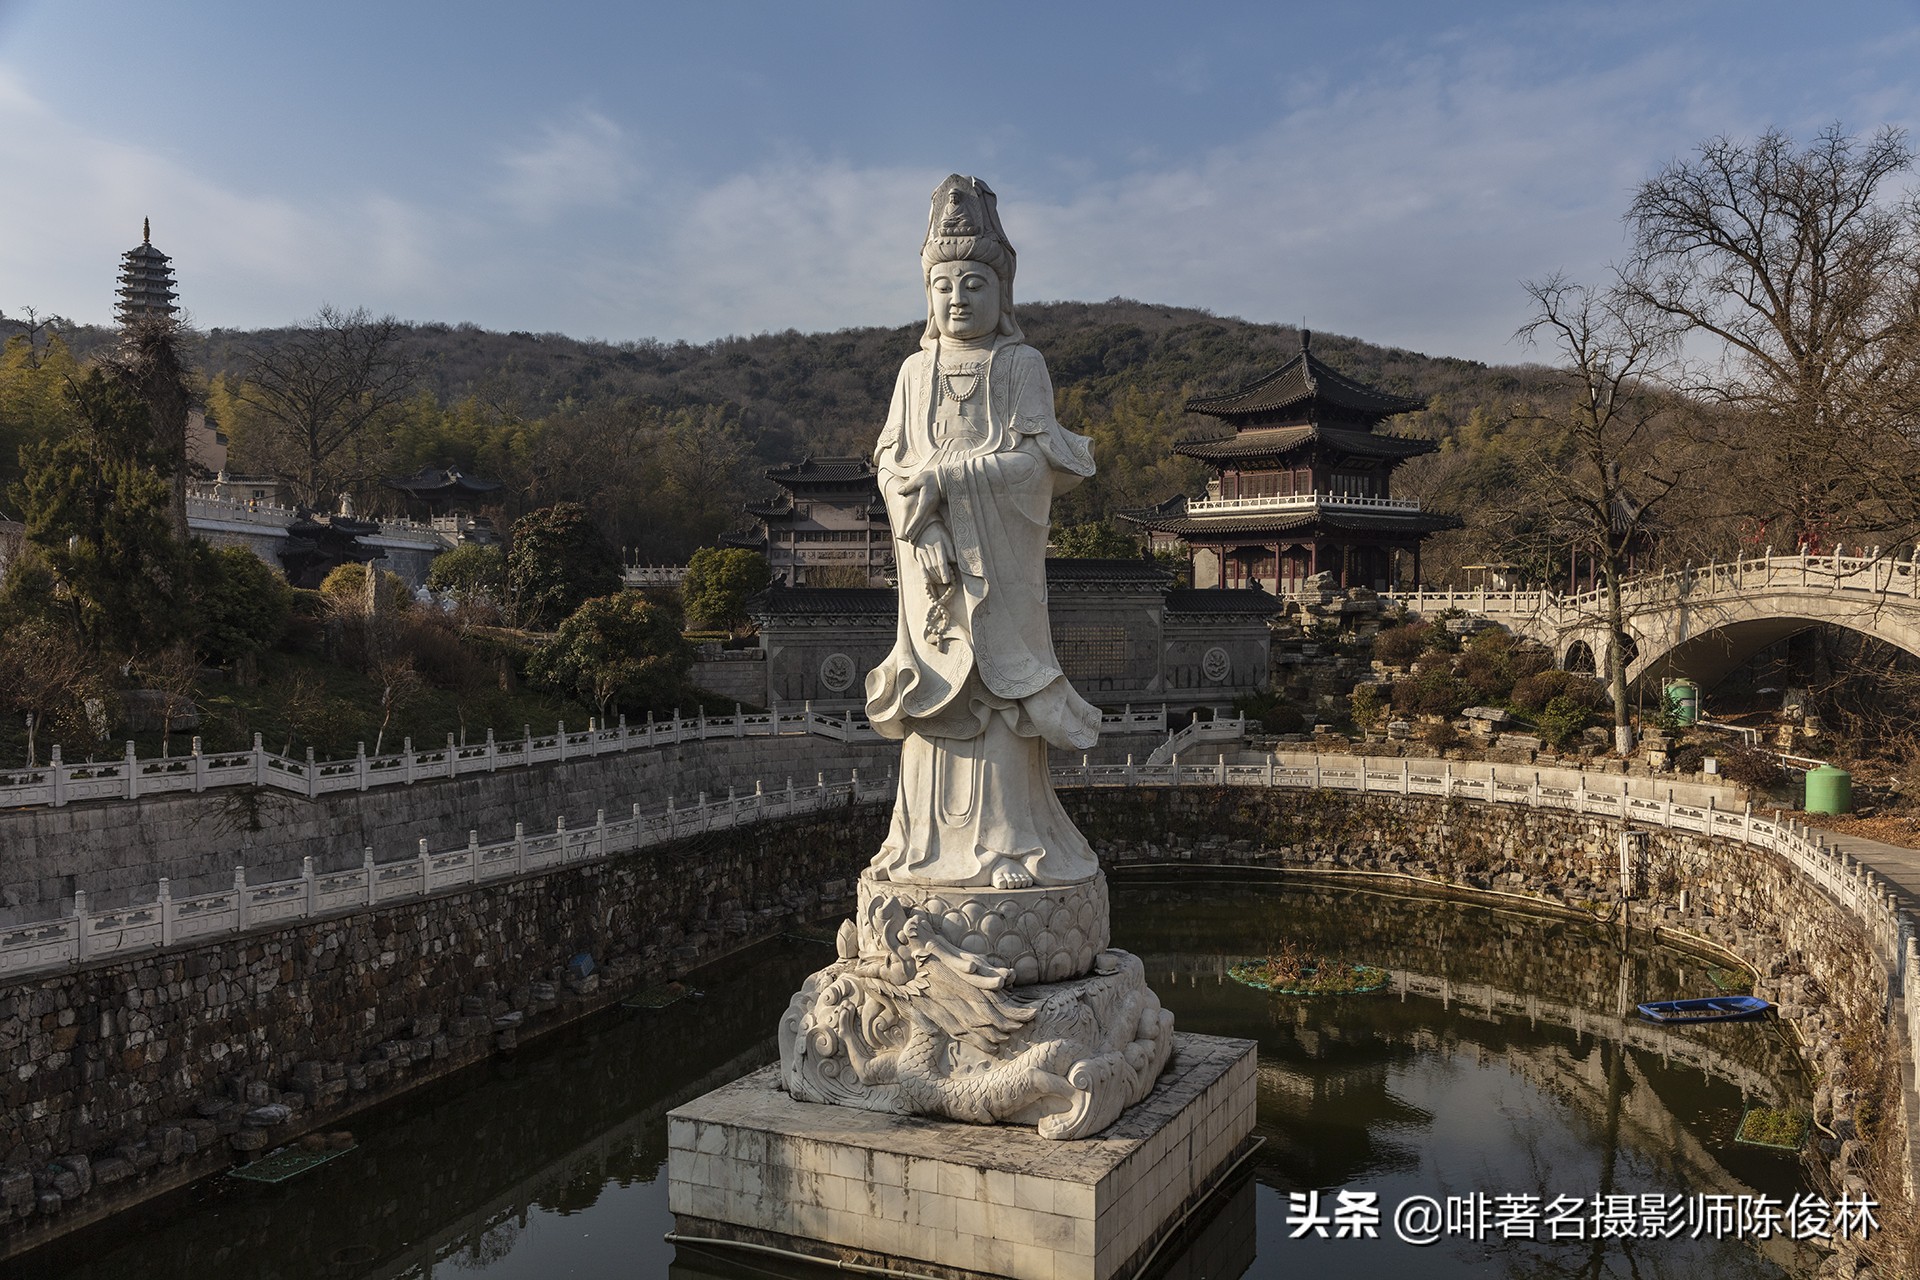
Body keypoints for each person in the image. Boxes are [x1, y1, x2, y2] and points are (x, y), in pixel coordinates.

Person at [864, 175, 1102, 890]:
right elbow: (889, 460)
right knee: (932, 698)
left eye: (975, 283)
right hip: (929, 574)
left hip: (999, 569)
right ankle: (917, 847)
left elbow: (1033, 462)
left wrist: (946, 482)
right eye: (945, 285)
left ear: (1003, 296)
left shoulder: (1021, 365)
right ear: (927, 296)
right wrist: (922, 525)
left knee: (998, 701)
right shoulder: (913, 372)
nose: (959, 298)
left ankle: (1007, 846)